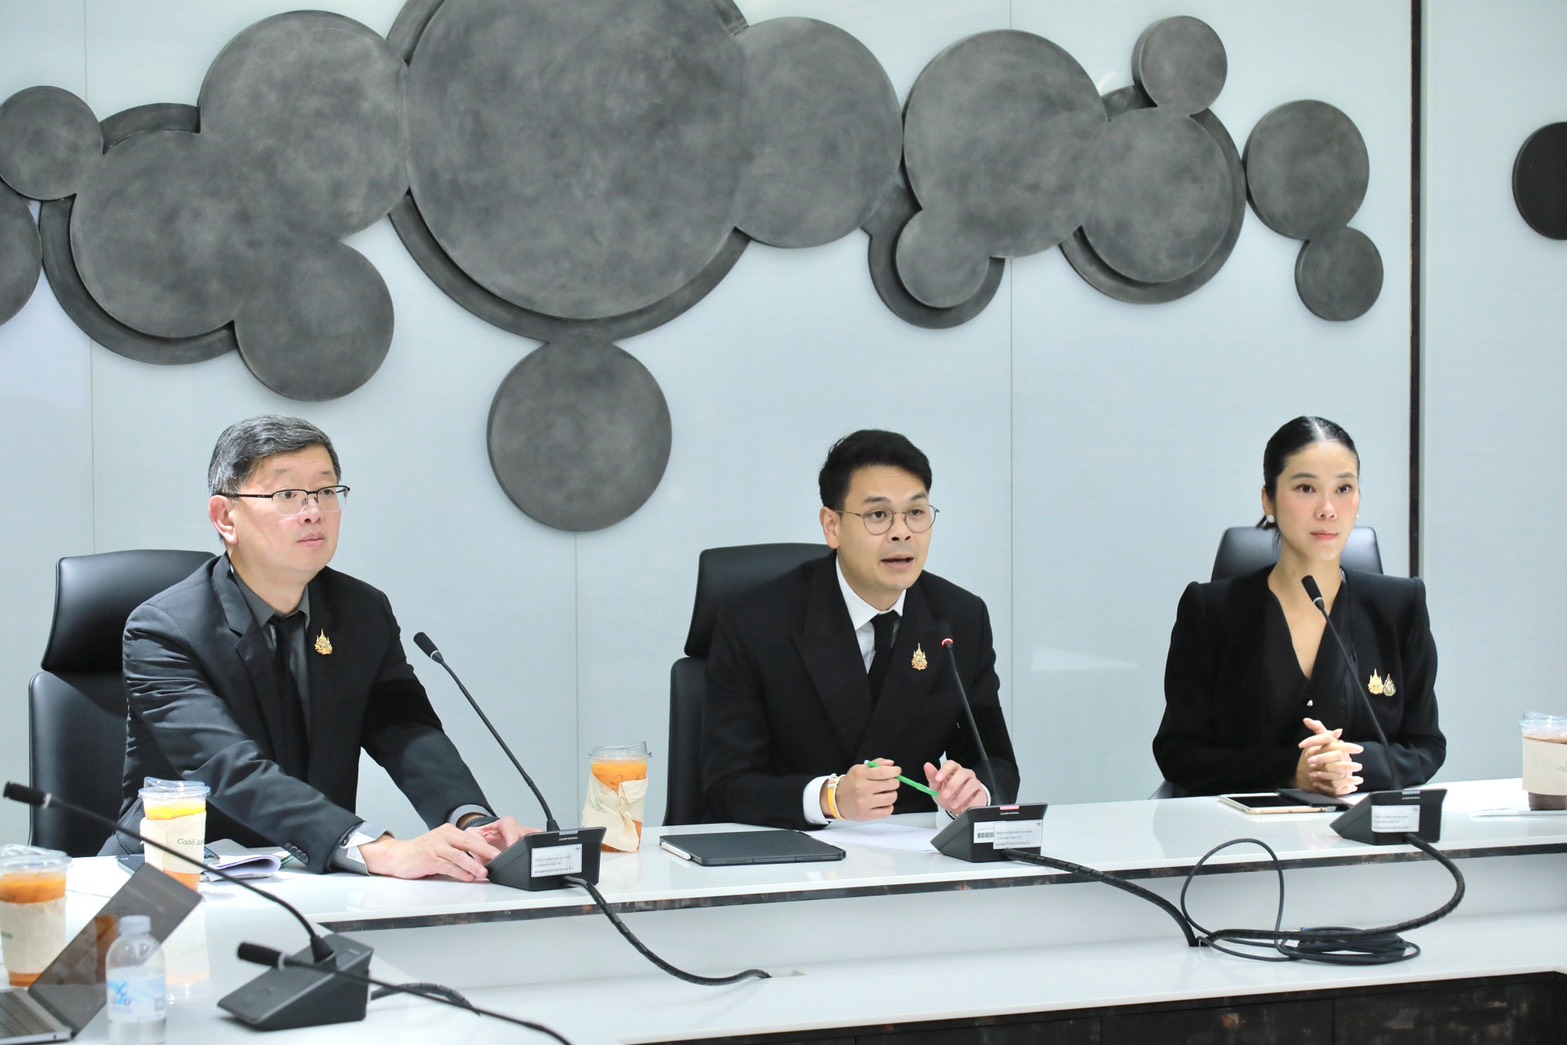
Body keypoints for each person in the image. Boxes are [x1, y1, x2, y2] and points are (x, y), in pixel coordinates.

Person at [105, 415, 529, 879]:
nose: (313, 511)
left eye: (326, 491)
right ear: (226, 517)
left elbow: (405, 730)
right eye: (287, 494)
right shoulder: (163, 630)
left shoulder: (362, 611)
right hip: (174, 874)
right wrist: (377, 849)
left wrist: (471, 823)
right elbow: (226, 768)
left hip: (310, 878)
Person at [702, 429, 1019, 828]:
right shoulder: (756, 622)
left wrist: (976, 793)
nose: (902, 532)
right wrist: (829, 798)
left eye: (916, 513)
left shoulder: (960, 618)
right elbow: (725, 787)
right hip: (789, 848)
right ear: (831, 526)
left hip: (911, 850)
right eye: (878, 515)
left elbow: (994, 761)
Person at [1154, 416, 1445, 797]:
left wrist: (1352, 764)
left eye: (1344, 488)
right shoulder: (1211, 613)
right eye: (1306, 488)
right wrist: (1290, 770)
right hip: (1239, 828)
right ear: (1268, 499)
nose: (1328, 509)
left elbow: (1425, 745)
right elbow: (1178, 752)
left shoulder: (1399, 608)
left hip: (1360, 828)